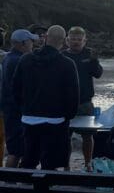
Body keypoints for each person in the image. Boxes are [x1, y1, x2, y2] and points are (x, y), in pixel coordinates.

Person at [13, 25, 79, 170]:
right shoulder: (67, 64)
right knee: (51, 162)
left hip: (29, 117)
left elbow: (16, 88)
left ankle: (24, 188)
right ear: (64, 41)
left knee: (29, 158)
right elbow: (73, 96)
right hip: (56, 119)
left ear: (46, 38)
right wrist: (68, 116)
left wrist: (23, 108)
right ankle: (45, 190)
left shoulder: (26, 60)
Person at [62, 26, 103, 171]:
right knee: (65, 137)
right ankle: (66, 165)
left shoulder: (89, 54)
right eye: (73, 39)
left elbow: (98, 74)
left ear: (85, 41)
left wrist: (94, 61)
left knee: (88, 136)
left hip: (85, 102)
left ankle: (88, 163)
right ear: (67, 40)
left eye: (79, 40)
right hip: (64, 103)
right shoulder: (62, 55)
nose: (76, 42)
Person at [1, 29, 37, 167]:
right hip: (16, 111)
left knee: (15, 149)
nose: (32, 44)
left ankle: (11, 181)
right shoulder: (19, 60)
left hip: (9, 109)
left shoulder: (8, 58)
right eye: (30, 41)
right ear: (23, 43)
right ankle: (10, 182)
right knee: (16, 151)